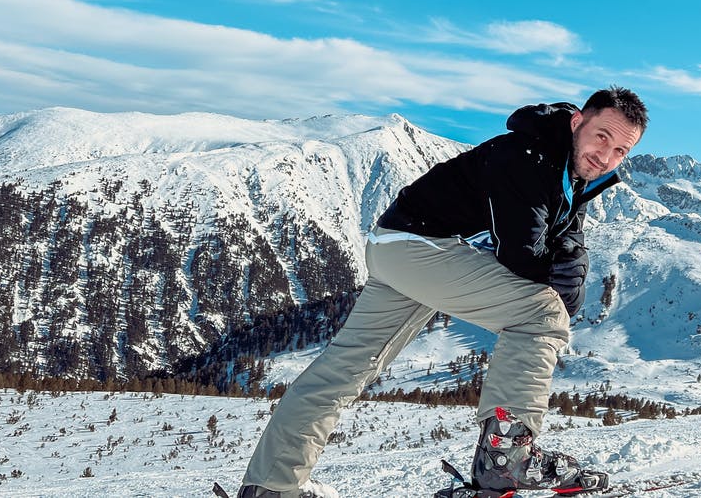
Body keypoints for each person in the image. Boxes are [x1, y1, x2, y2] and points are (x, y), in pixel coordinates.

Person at [238, 86, 649, 498]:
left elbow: (562, 253)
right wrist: (562, 268)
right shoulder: (527, 157)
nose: (606, 155)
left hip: (399, 246)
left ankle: (271, 485)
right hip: (424, 248)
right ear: (578, 121)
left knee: (343, 369)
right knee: (541, 314)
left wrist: (568, 263)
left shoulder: (571, 174)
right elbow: (522, 258)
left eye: (620, 151)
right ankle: (505, 457)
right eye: (601, 137)